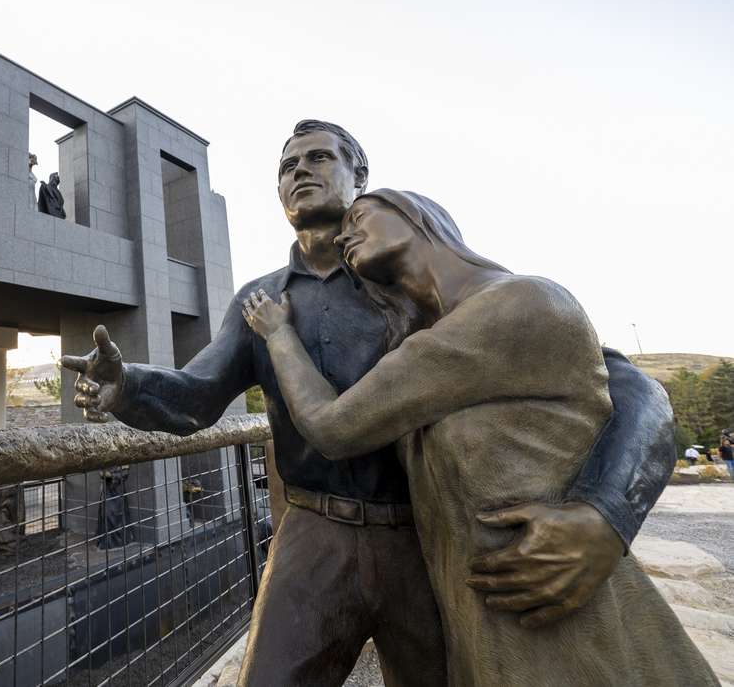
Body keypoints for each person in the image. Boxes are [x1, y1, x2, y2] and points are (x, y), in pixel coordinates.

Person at [62, 120, 676, 686]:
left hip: (424, 538)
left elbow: (621, 381)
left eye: (319, 157)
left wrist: (608, 512)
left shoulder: (413, 272)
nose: (298, 170)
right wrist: (129, 387)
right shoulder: (258, 301)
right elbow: (197, 397)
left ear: (360, 178)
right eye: (286, 165)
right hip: (313, 536)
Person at [241, 189, 716, 686]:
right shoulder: (426, 337)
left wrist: (606, 512)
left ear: (417, 216)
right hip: (480, 627)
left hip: (555, 624)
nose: (345, 235)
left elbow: (634, 387)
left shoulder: (519, 303)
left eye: (360, 216)